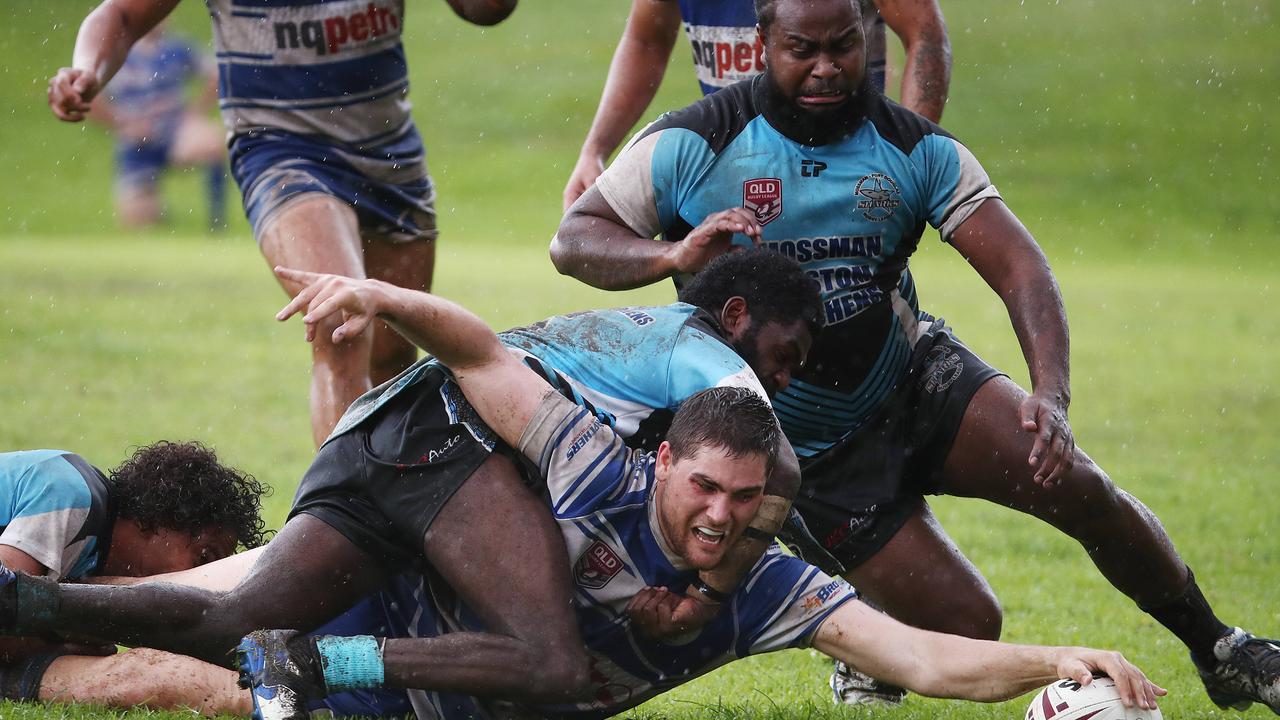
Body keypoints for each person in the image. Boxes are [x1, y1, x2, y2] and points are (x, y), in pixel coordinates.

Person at [548, 0, 1280, 713]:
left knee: (1078, 484)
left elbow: (1022, 269)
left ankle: (1222, 651)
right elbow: (575, 238)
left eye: (843, 44)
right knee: (968, 624)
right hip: (810, 449)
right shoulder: (692, 143)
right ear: (763, 39)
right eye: (803, 49)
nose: (828, 68)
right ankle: (852, 606)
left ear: (867, 33)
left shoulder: (913, 148)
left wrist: (1050, 395)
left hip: (912, 379)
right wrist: (671, 252)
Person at [233, 267, 1164, 719]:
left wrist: (1060, 659)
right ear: (669, 460)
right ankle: (91, 582)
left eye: (746, 499)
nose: (721, 513)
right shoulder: (596, 463)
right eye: (706, 486)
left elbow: (923, 658)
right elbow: (483, 353)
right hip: (369, 612)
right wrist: (378, 299)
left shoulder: (768, 589)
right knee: (181, 651)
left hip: (447, 691)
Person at [0, 252, 824, 715]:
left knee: (240, 621)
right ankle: (318, 664)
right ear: (737, 317)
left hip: (404, 453)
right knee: (545, 663)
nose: (780, 382)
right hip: (441, 460)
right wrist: (713, 595)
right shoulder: (705, 361)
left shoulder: (652, 409)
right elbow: (776, 459)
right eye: (782, 358)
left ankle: (29, 608)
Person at [48, 0, 518, 447]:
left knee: (394, 358)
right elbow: (124, 15)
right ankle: (349, 521)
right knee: (339, 324)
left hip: (389, 157)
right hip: (279, 151)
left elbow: (487, 10)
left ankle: (398, 499)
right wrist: (87, 70)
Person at [563, 0, 949, 210]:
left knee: (858, 318)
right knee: (740, 324)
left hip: (852, 172)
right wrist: (594, 149)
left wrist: (906, 158)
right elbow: (647, 42)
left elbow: (925, 35)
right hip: (736, 172)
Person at [0, 441, 268, 708]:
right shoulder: (70, 494)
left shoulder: (90, 553)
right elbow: (3, 606)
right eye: (204, 558)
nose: (199, 579)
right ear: (162, 519)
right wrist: (60, 643)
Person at [86, 22, 227, 230]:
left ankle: (216, 223)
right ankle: (156, 209)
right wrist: (122, 123)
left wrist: (194, 112)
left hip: (175, 133)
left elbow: (217, 76)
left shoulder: (177, 47)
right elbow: (88, 96)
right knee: (140, 223)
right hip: (136, 145)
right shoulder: (115, 52)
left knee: (213, 142)